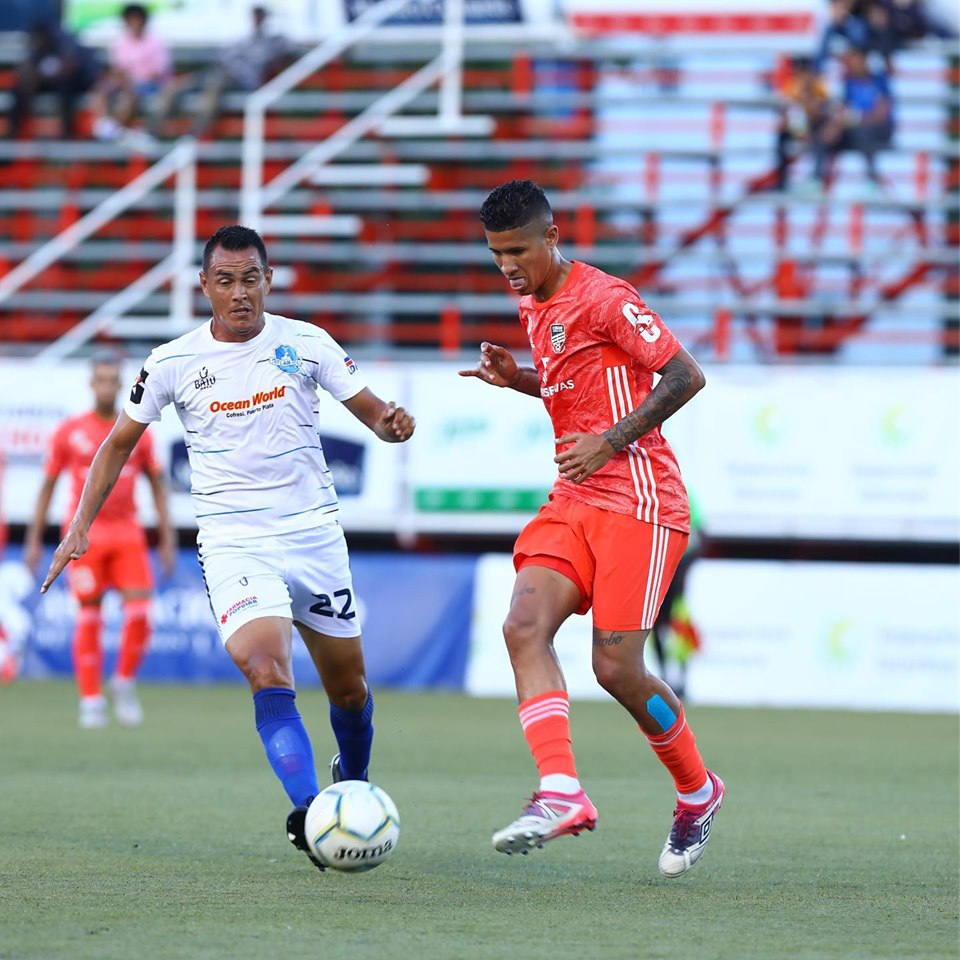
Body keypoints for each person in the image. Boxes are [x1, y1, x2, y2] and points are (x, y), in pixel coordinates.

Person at [40, 224, 415, 872]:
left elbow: (376, 413)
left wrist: (393, 424)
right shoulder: (172, 362)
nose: (239, 293)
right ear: (203, 286)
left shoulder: (306, 343)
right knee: (266, 671)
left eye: (250, 279)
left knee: (349, 692)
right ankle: (310, 813)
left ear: (269, 280)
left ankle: (351, 781)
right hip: (235, 541)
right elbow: (118, 444)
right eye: (225, 281)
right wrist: (79, 525)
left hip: (313, 536)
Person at [460, 180, 722, 878]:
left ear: (552, 236)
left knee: (616, 668)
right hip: (573, 498)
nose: (507, 266)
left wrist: (610, 441)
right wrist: (520, 380)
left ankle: (698, 791)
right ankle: (561, 791)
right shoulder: (530, 300)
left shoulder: (607, 297)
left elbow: (684, 376)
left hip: (639, 499)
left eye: (517, 250)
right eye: (495, 254)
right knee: (522, 626)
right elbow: (572, 382)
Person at [25, 352, 175, 728]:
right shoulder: (70, 431)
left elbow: (158, 487)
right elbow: (47, 487)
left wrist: (167, 538)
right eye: (101, 379)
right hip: (84, 534)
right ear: (92, 384)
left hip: (127, 532)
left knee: (140, 612)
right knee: (89, 614)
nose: (107, 385)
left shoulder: (137, 432)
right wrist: (33, 539)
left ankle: (123, 681)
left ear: (121, 385)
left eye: (113, 379)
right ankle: (90, 698)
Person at [184, 5, 291, 138]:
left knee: (215, 84)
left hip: (245, 82)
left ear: (265, 17)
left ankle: (197, 129)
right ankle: (161, 124)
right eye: (255, 15)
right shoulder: (244, 39)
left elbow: (288, 47)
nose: (256, 18)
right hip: (226, 74)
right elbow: (223, 56)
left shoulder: (273, 41)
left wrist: (281, 21)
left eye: (259, 15)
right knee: (188, 82)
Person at [812, 45, 894, 192]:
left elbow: (881, 115)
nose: (855, 65)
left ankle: (872, 181)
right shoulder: (848, 84)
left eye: (858, 61)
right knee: (825, 133)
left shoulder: (878, 80)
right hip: (855, 129)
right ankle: (816, 180)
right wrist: (836, 125)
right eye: (852, 61)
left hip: (879, 130)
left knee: (863, 131)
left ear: (865, 61)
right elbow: (843, 110)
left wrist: (853, 119)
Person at [89, 3, 172, 147]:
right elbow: (118, 69)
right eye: (130, 19)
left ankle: (114, 129)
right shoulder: (121, 42)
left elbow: (157, 73)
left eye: (136, 19)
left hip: (148, 86)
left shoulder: (155, 43)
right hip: (125, 83)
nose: (134, 23)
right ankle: (105, 126)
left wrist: (133, 78)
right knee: (99, 91)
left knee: (129, 94)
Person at [5, 20, 100, 140]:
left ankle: (67, 132)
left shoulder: (64, 43)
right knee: (19, 89)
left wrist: (49, 75)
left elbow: (71, 68)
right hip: (44, 83)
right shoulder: (36, 49)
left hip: (69, 84)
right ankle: (14, 130)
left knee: (67, 88)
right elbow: (27, 67)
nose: (38, 41)